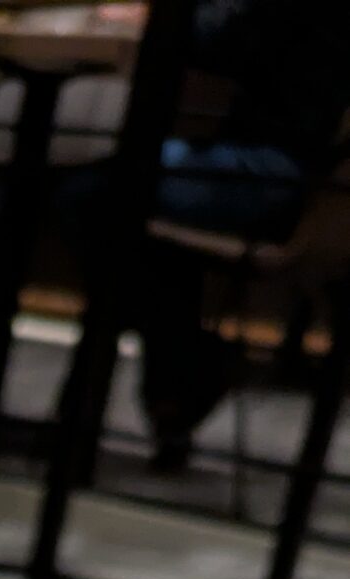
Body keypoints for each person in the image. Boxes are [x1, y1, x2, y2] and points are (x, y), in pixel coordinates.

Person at [64, 0, 350, 469]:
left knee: (96, 195)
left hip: (274, 176)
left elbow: (214, 38)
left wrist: (161, 14)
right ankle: (179, 372)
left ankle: (175, 366)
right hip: (307, 180)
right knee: (137, 225)